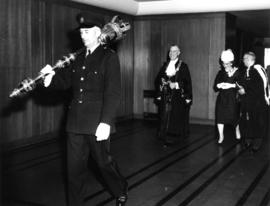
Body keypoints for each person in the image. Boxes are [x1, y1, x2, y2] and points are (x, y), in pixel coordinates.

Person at [40, 13, 128, 206]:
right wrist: (49, 78)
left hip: (97, 123)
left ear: (98, 33)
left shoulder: (109, 58)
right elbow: (65, 82)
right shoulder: (78, 58)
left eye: (87, 31)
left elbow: (113, 93)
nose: (83, 35)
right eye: (81, 32)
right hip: (75, 123)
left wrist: (106, 122)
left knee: (104, 164)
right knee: (73, 171)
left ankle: (120, 188)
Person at [155, 45, 192, 145]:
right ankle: (163, 135)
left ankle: (173, 136)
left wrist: (175, 84)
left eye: (174, 51)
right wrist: (160, 90)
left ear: (178, 53)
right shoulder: (165, 65)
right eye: (170, 51)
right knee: (164, 114)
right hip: (165, 95)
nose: (171, 53)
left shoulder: (183, 66)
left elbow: (187, 82)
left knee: (174, 116)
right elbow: (158, 80)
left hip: (177, 96)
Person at [238, 52, 269, 153]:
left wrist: (245, 90)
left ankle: (257, 142)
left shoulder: (257, 70)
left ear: (249, 59)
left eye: (244, 59)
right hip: (248, 102)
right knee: (247, 122)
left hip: (258, 103)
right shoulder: (247, 70)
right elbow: (244, 83)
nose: (243, 60)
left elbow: (260, 87)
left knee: (257, 122)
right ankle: (248, 140)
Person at [213, 49, 241, 144]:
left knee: (234, 117)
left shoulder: (237, 72)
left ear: (231, 62)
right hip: (222, 98)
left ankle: (237, 131)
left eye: (228, 63)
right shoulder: (220, 73)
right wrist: (219, 85)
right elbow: (215, 87)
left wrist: (232, 85)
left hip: (233, 98)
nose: (226, 65)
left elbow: (241, 86)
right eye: (224, 64)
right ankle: (221, 136)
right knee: (220, 117)